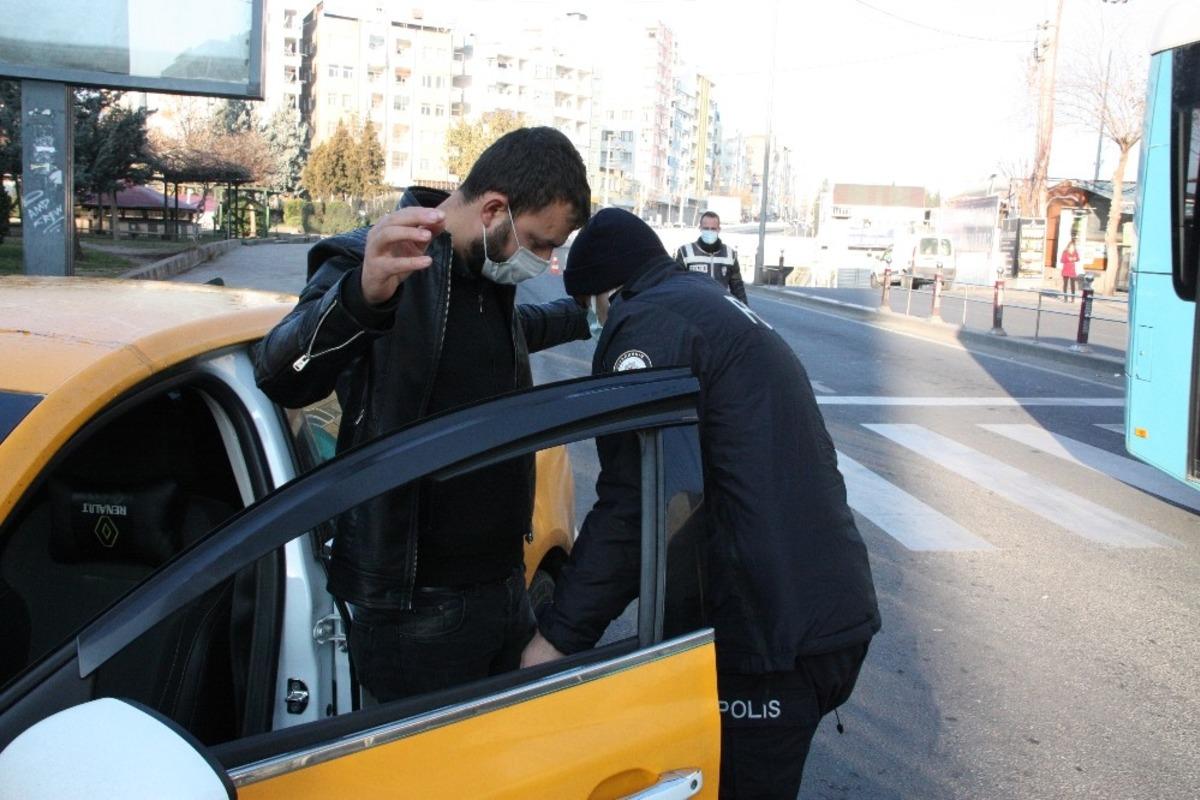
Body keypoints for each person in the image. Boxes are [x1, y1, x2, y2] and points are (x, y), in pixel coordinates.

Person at [523, 209, 881, 799]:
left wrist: (558, 638)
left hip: (774, 641)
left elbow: (637, 504)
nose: (596, 319)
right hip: (818, 610)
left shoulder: (647, 325)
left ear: (606, 292)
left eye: (592, 305)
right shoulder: (696, 299)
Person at [254, 127, 592, 704]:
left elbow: (514, 334)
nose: (543, 260)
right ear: (493, 209)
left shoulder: (487, 273)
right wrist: (360, 295)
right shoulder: (382, 259)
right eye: (538, 242)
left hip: (503, 582)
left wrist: (593, 310)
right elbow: (281, 372)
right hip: (418, 607)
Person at [674, 210, 749, 305]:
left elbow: (737, 287)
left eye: (713, 229)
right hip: (694, 309)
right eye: (706, 228)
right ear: (700, 228)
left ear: (719, 229)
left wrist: (745, 309)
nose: (709, 231)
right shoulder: (685, 252)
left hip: (721, 309)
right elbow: (677, 284)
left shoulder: (730, 254)